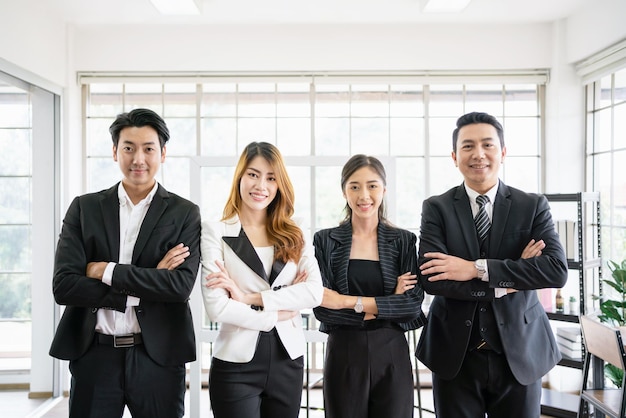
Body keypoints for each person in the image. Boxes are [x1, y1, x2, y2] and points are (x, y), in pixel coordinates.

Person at [49, 108, 201, 418]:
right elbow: (64, 286)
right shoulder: (85, 208)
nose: (138, 159)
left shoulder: (184, 213)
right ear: (115, 151)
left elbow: (178, 287)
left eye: (148, 149)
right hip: (95, 355)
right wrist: (149, 279)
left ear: (163, 153)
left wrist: (105, 271)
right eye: (129, 148)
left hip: (157, 356)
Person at [415, 111, 568, 418]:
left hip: (520, 352)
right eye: (468, 146)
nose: (479, 154)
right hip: (455, 355)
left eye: (488, 144)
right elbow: (433, 279)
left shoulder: (532, 206)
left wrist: (474, 269)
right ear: (455, 155)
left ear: (503, 152)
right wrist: (511, 278)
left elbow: (554, 270)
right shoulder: (437, 208)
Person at [201, 141, 324, 418]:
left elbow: (314, 293)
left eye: (271, 178)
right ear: (240, 177)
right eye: (253, 175)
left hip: (288, 360)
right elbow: (217, 307)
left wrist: (247, 299)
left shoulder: (296, 230)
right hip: (235, 364)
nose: (261, 186)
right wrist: (277, 314)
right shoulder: (215, 231)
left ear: (280, 184)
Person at [313, 154, 426, 418]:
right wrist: (387, 302)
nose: (364, 195)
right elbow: (322, 307)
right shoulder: (326, 241)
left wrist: (347, 301)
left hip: (392, 351)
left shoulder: (403, 241)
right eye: (355, 186)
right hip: (344, 352)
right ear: (344, 192)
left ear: (384, 190)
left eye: (372, 186)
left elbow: (411, 305)